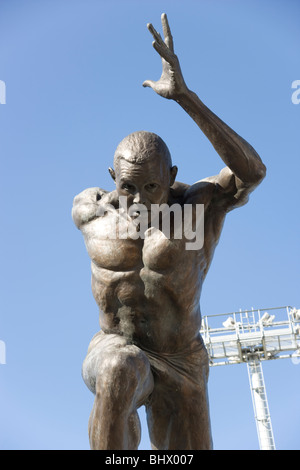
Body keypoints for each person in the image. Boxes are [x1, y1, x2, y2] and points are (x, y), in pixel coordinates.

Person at [72, 13, 266, 450]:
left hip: (181, 361)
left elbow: (252, 173)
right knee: (120, 368)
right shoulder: (92, 209)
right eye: (127, 187)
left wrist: (185, 97)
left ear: (172, 177)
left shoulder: (199, 204)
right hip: (114, 348)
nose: (138, 200)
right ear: (111, 177)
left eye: (152, 187)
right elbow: (102, 199)